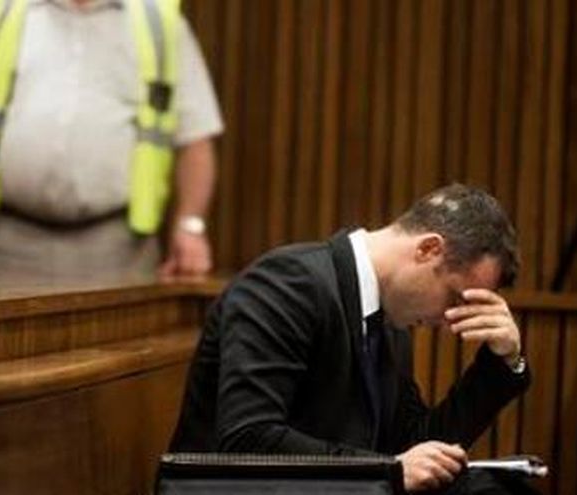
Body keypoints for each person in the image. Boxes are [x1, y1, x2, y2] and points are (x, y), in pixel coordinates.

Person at [170, 184, 534, 494]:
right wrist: (385, 472)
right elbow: (249, 439)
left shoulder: (389, 318)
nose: (447, 320)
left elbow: (413, 447)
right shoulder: (288, 283)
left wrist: (501, 362)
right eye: (454, 298)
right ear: (428, 249)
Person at [0, 0, 223, 279]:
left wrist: (190, 226)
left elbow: (195, 139)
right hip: (9, 241)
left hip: (120, 246)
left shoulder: (160, 22)